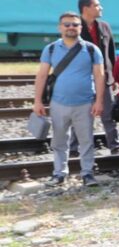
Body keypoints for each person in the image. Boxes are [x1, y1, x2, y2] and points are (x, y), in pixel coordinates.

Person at [33, 12, 105, 187]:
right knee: (59, 140)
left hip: (85, 103)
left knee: (86, 140)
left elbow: (99, 75)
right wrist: (37, 101)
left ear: (80, 27)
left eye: (75, 24)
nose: (71, 27)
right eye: (67, 24)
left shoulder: (91, 49)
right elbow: (42, 75)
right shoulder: (50, 49)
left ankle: (87, 173)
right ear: (60, 27)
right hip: (58, 103)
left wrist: (99, 101)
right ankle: (59, 173)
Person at [77, 0, 119, 153]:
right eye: (97, 5)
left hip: (105, 76)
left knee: (108, 113)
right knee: (81, 114)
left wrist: (115, 75)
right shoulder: (76, 27)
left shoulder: (104, 26)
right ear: (86, 8)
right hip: (83, 78)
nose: (100, 8)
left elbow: (111, 52)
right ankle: (77, 147)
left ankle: (115, 145)